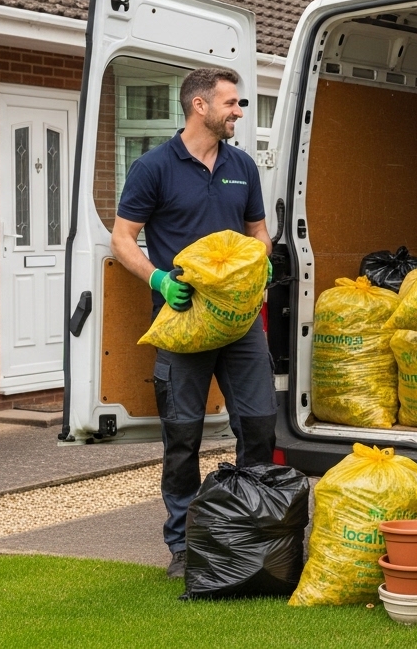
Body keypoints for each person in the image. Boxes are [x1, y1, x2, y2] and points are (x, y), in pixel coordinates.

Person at [111, 67, 275, 579]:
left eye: (240, 104)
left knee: (258, 423)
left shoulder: (242, 165)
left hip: (239, 321)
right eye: (231, 103)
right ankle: (183, 544)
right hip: (183, 319)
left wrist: (261, 263)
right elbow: (122, 238)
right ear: (199, 106)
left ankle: (251, 532)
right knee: (182, 436)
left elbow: (258, 231)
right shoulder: (153, 167)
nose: (239, 113)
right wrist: (159, 281)